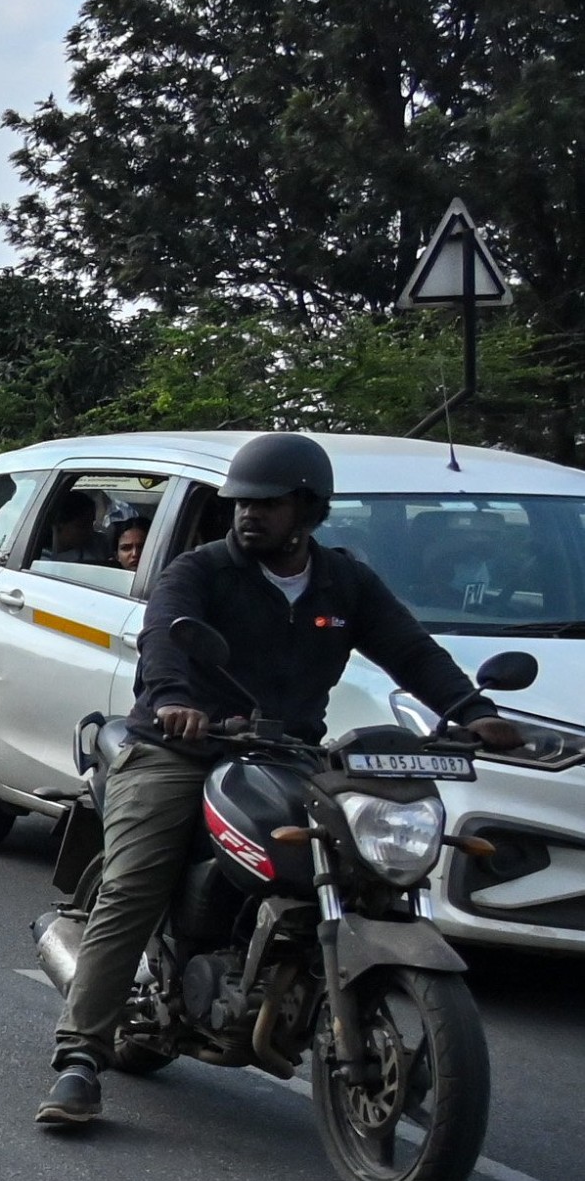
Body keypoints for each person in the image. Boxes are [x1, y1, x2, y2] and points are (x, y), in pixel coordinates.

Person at [37, 432, 524, 1127]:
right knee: (135, 877)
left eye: (267, 504)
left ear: (309, 510)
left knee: (355, 855)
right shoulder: (199, 571)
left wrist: (471, 711)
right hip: (178, 745)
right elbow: (164, 637)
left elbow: (408, 649)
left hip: (285, 748)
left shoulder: (344, 581)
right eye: (240, 503)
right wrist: (175, 701)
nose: (248, 515)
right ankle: (78, 1055)